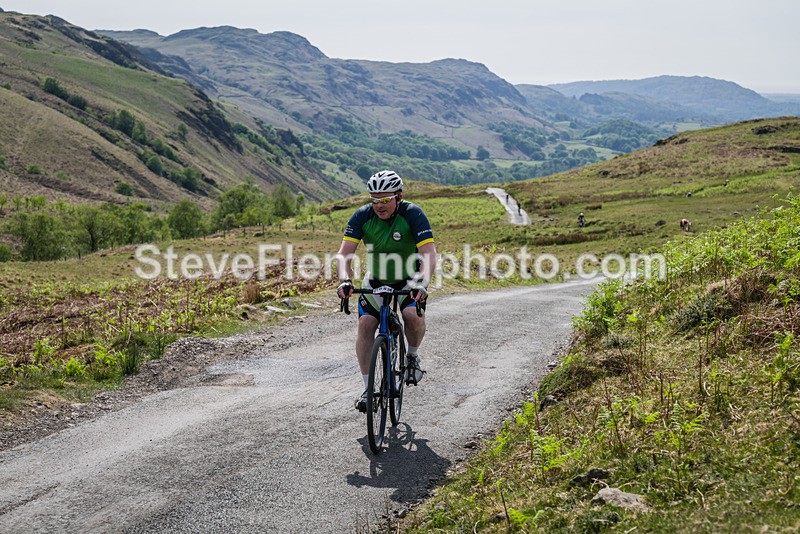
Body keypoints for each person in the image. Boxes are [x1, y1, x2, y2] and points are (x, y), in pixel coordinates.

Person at [335, 170, 436, 412]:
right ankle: (368, 389)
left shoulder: (413, 214)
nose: (379, 206)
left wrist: (422, 283)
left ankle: (411, 356)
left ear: (398, 197)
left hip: (409, 278)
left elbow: (429, 254)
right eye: (374, 200)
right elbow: (344, 254)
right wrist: (344, 280)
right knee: (365, 326)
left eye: (385, 200)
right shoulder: (362, 216)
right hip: (377, 279)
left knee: (412, 317)